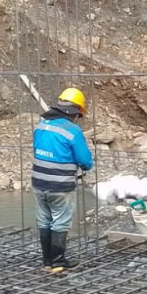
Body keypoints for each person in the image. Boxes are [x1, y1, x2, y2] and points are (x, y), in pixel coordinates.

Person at [32, 87, 94, 273]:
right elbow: (85, 161)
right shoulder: (72, 130)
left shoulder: (41, 125)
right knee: (60, 221)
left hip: (38, 182)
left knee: (44, 219)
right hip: (60, 185)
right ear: (75, 112)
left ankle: (47, 261)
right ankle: (58, 262)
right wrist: (87, 166)